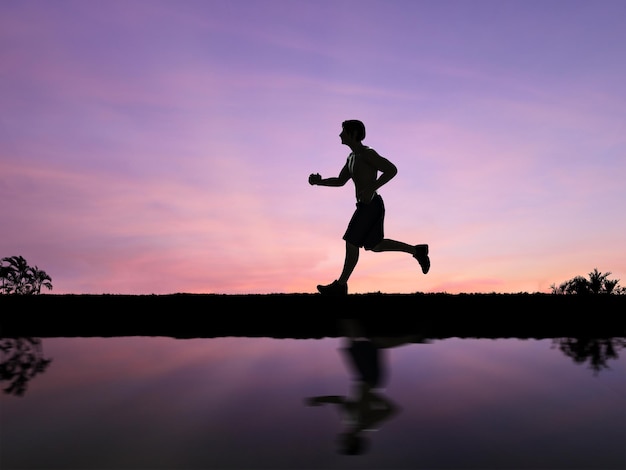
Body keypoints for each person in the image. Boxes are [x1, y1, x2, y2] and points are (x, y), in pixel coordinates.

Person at [309, 119, 430, 295]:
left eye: (343, 131)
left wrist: (371, 188)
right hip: (368, 205)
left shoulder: (368, 153)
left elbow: (391, 169)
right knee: (376, 245)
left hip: (371, 205)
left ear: (353, 134)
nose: (340, 135)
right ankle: (417, 251)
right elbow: (340, 181)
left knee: (351, 241)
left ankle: (340, 286)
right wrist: (319, 182)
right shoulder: (351, 158)